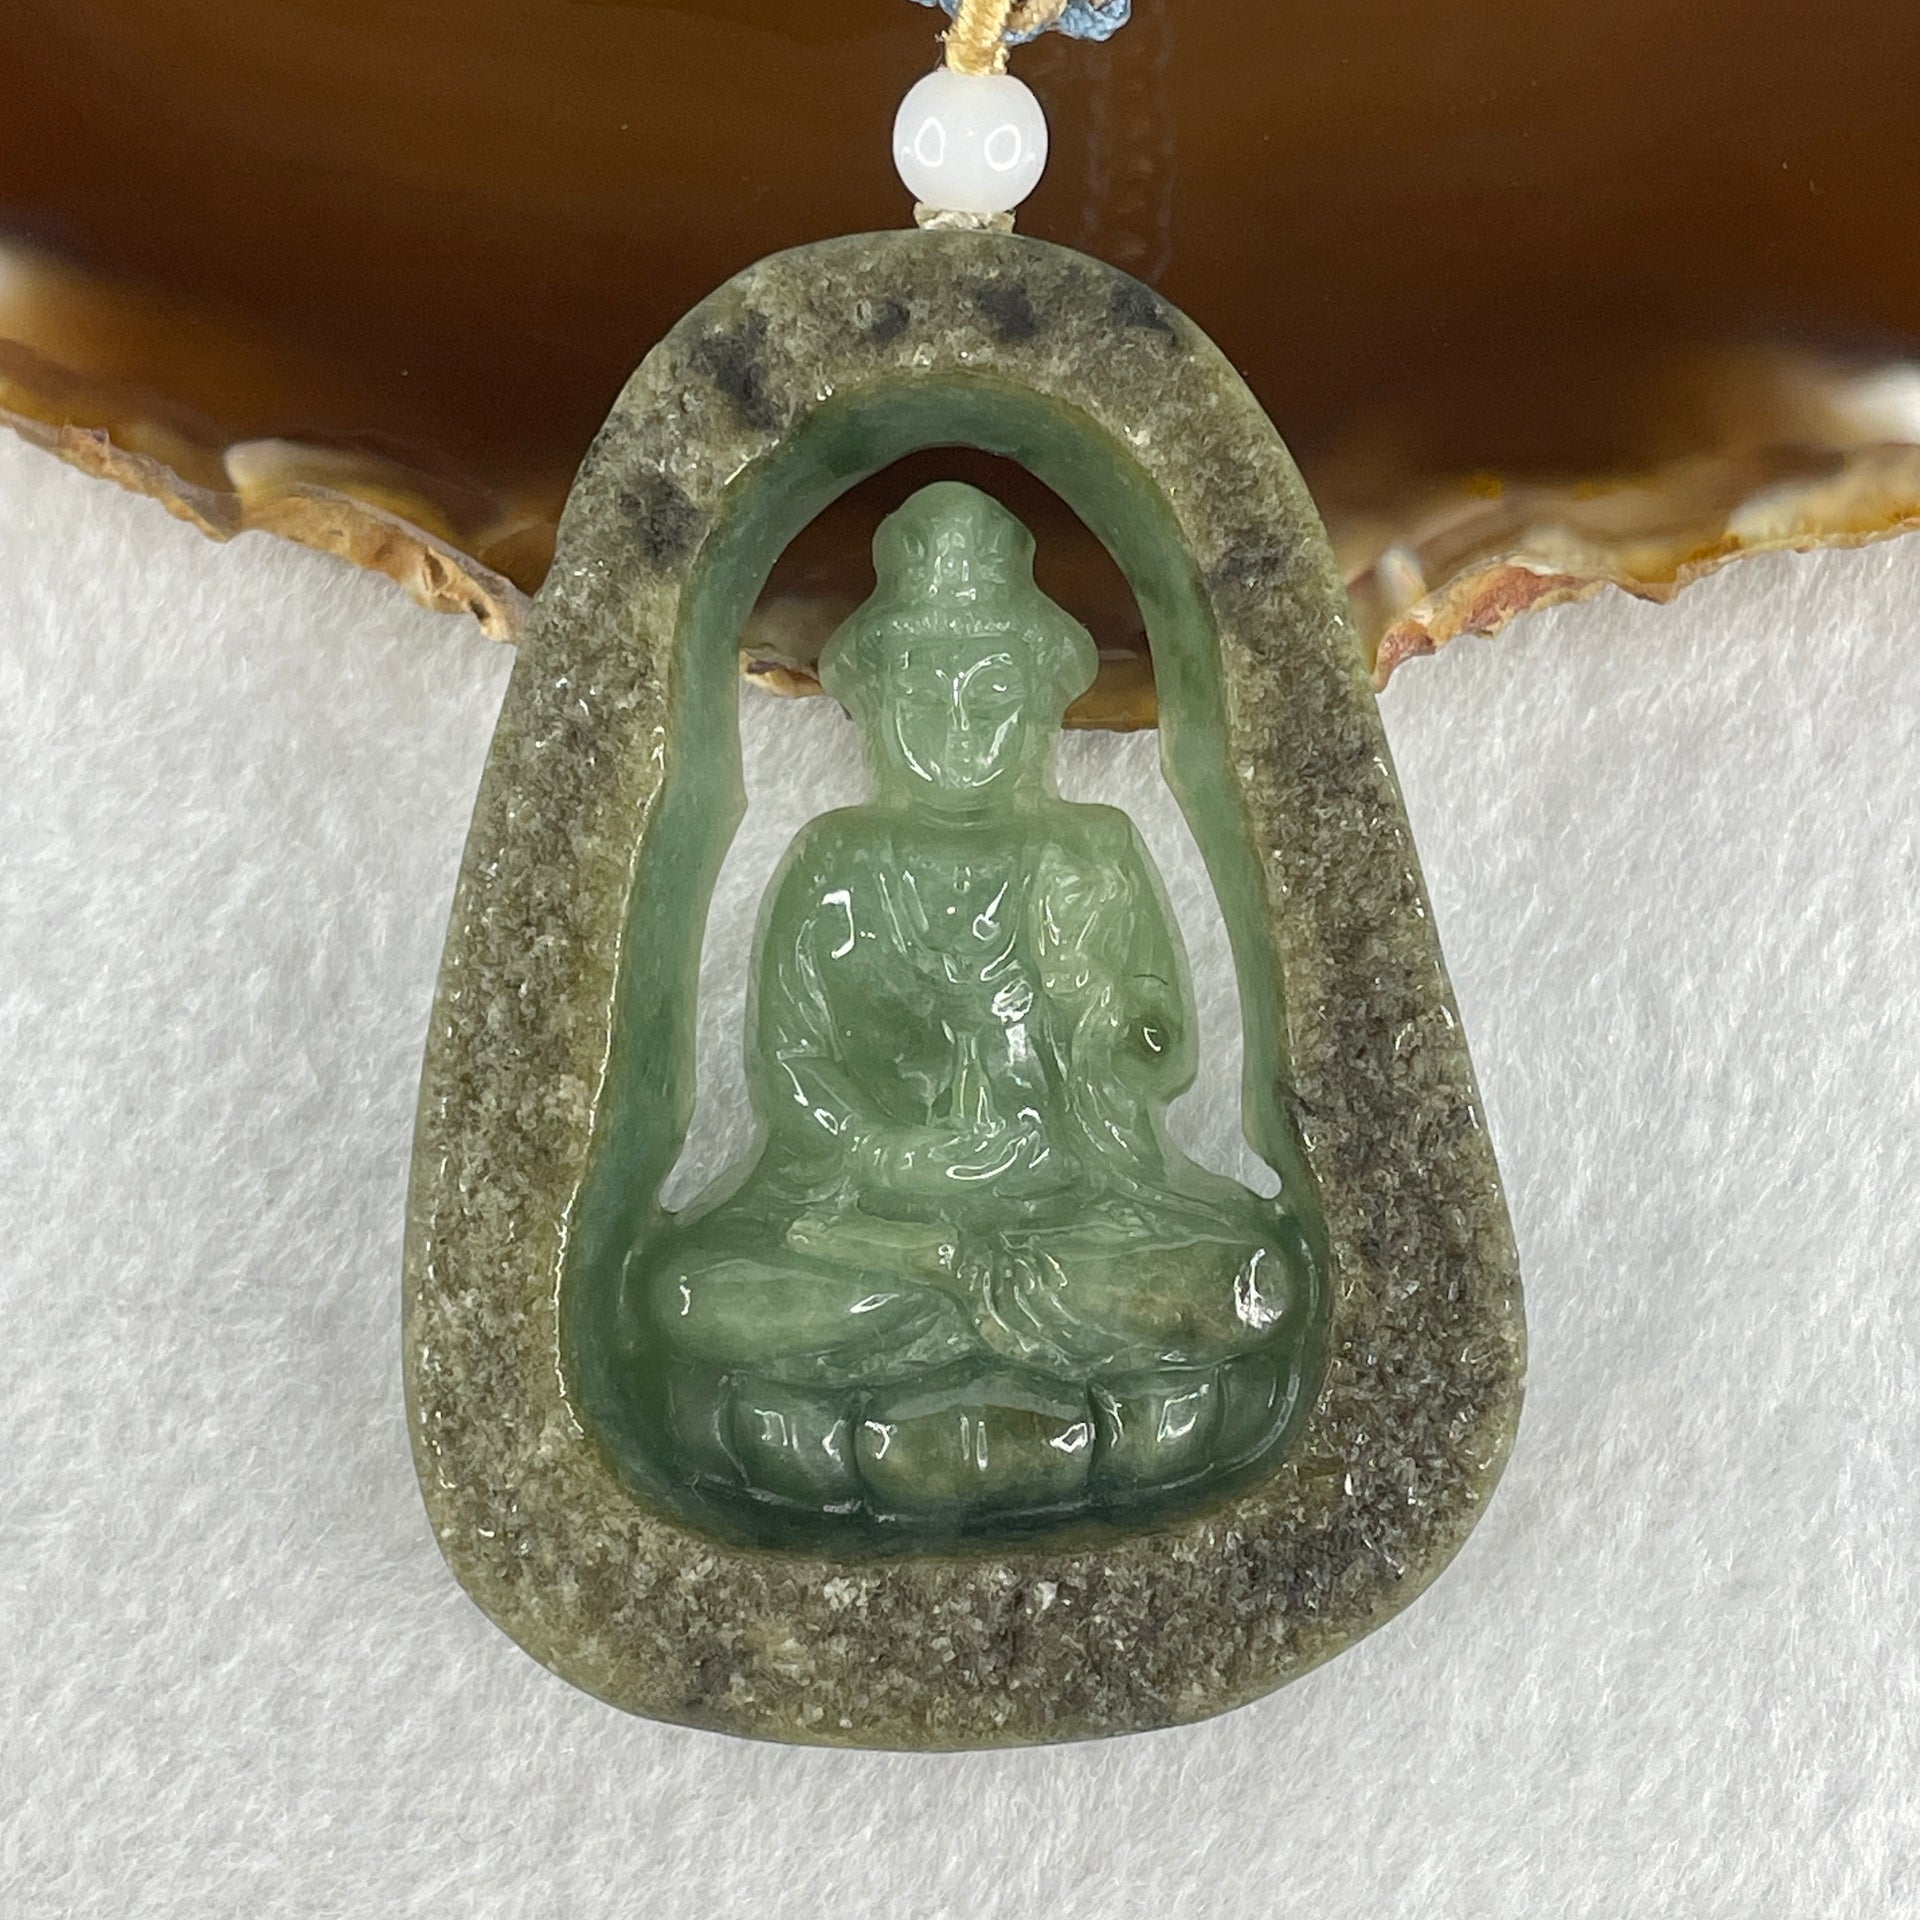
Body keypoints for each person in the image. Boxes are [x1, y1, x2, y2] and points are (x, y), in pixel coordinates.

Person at [629, 481, 1319, 1530]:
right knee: (685, 1292)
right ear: (876, 704)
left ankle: (944, 1327)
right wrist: (888, 1154)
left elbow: (1161, 1053)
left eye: (990, 696)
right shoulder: (837, 860)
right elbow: (791, 1069)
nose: (958, 729)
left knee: (1248, 1282)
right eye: (925, 696)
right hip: (870, 1215)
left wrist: (1106, 1012)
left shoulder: (1090, 851)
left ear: (1041, 702)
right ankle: (1003, 1329)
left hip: (1072, 1203)